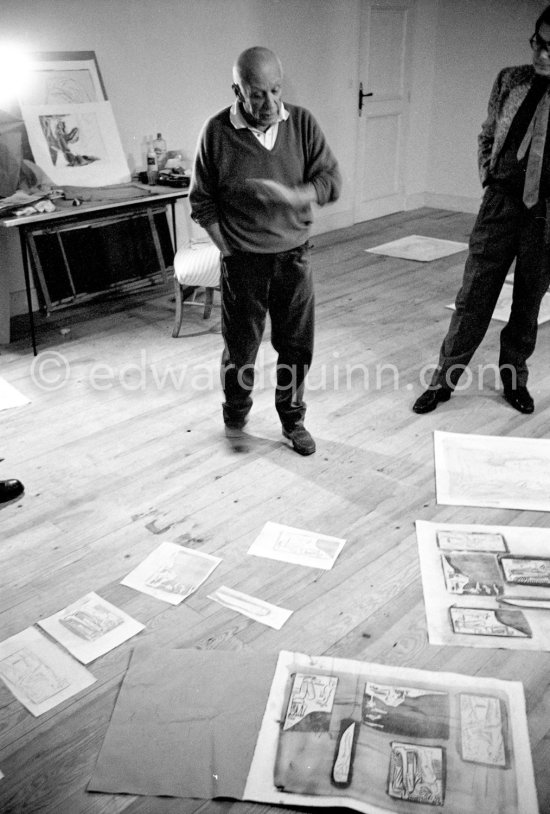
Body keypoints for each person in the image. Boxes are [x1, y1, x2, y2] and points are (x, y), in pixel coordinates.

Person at [189, 46, 341, 454]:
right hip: (244, 264)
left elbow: (331, 179)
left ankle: (293, 422)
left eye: (276, 90)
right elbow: (201, 203)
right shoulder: (217, 132)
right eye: (257, 94)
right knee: (241, 351)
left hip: (294, 258)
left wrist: (298, 196)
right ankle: (235, 418)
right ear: (237, 90)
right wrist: (229, 251)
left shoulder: (302, 123)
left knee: (296, 347)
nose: (271, 103)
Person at [413, 5, 550, 415]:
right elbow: (487, 135)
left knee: (528, 302)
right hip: (501, 204)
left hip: (545, 216)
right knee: (473, 297)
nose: (541, 55)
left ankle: (513, 380)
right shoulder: (510, 80)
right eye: (538, 43)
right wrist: (488, 181)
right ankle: (443, 381)